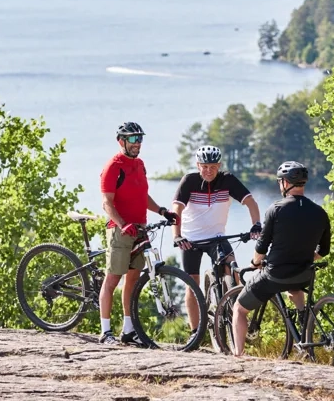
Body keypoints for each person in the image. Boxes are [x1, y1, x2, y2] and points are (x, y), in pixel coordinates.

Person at [231, 160, 331, 357]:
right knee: (295, 288)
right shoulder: (320, 212)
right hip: (304, 274)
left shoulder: (276, 209)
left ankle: (238, 355)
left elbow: (261, 247)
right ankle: (304, 319)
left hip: (275, 275)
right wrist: (304, 255)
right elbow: (324, 250)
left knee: (239, 309)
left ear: (286, 183)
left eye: (280, 182)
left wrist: (254, 264)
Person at [98, 121, 178, 345]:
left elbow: (143, 197)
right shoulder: (113, 166)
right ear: (121, 141)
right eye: (132, 139)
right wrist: (123, 224)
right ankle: (105, 332)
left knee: (132, 281)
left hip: (140, 229)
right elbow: (107, 203)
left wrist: (162, 211)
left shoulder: (140, 165)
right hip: (120, 231)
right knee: (112, 279)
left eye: (140, 139)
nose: (137, 143)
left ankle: (128, 331)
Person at [171, 145, 262, 330]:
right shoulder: (189, 181)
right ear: (198, 165)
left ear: (219, 165)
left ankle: (235, 311)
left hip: (217, 238)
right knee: (192, 284)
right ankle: (195, 331)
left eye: (212, 166)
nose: (208, 171)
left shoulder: (227, 180)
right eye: (204, 166)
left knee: (234, 270)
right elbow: (177, 209)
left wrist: (256, 225)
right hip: (191, 240)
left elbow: (251, 203)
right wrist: (177, 236)